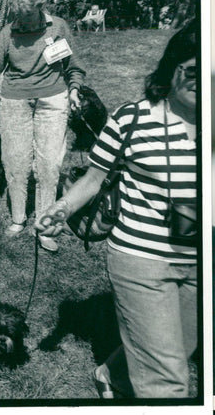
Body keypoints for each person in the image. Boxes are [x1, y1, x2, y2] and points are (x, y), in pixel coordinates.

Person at [36, 21, 199, 398]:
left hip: (200, 258)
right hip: (140, 258)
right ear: (172, 68)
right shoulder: (132, 119)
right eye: (193, 71)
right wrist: (58, 212)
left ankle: (115, 377)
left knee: (181, 347)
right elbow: (93, 180)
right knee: (168, 383)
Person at [0, 0, 83, 252]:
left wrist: (74, 90)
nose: (23, 23)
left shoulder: (58, 27)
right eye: (17, 17)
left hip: (53, 101)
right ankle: (18, 219)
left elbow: (74, 67)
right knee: (15, 163)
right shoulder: (9, 32)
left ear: (41, 6)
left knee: (49, 166)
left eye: (27, 17)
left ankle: (44, 225)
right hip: (14, 102)